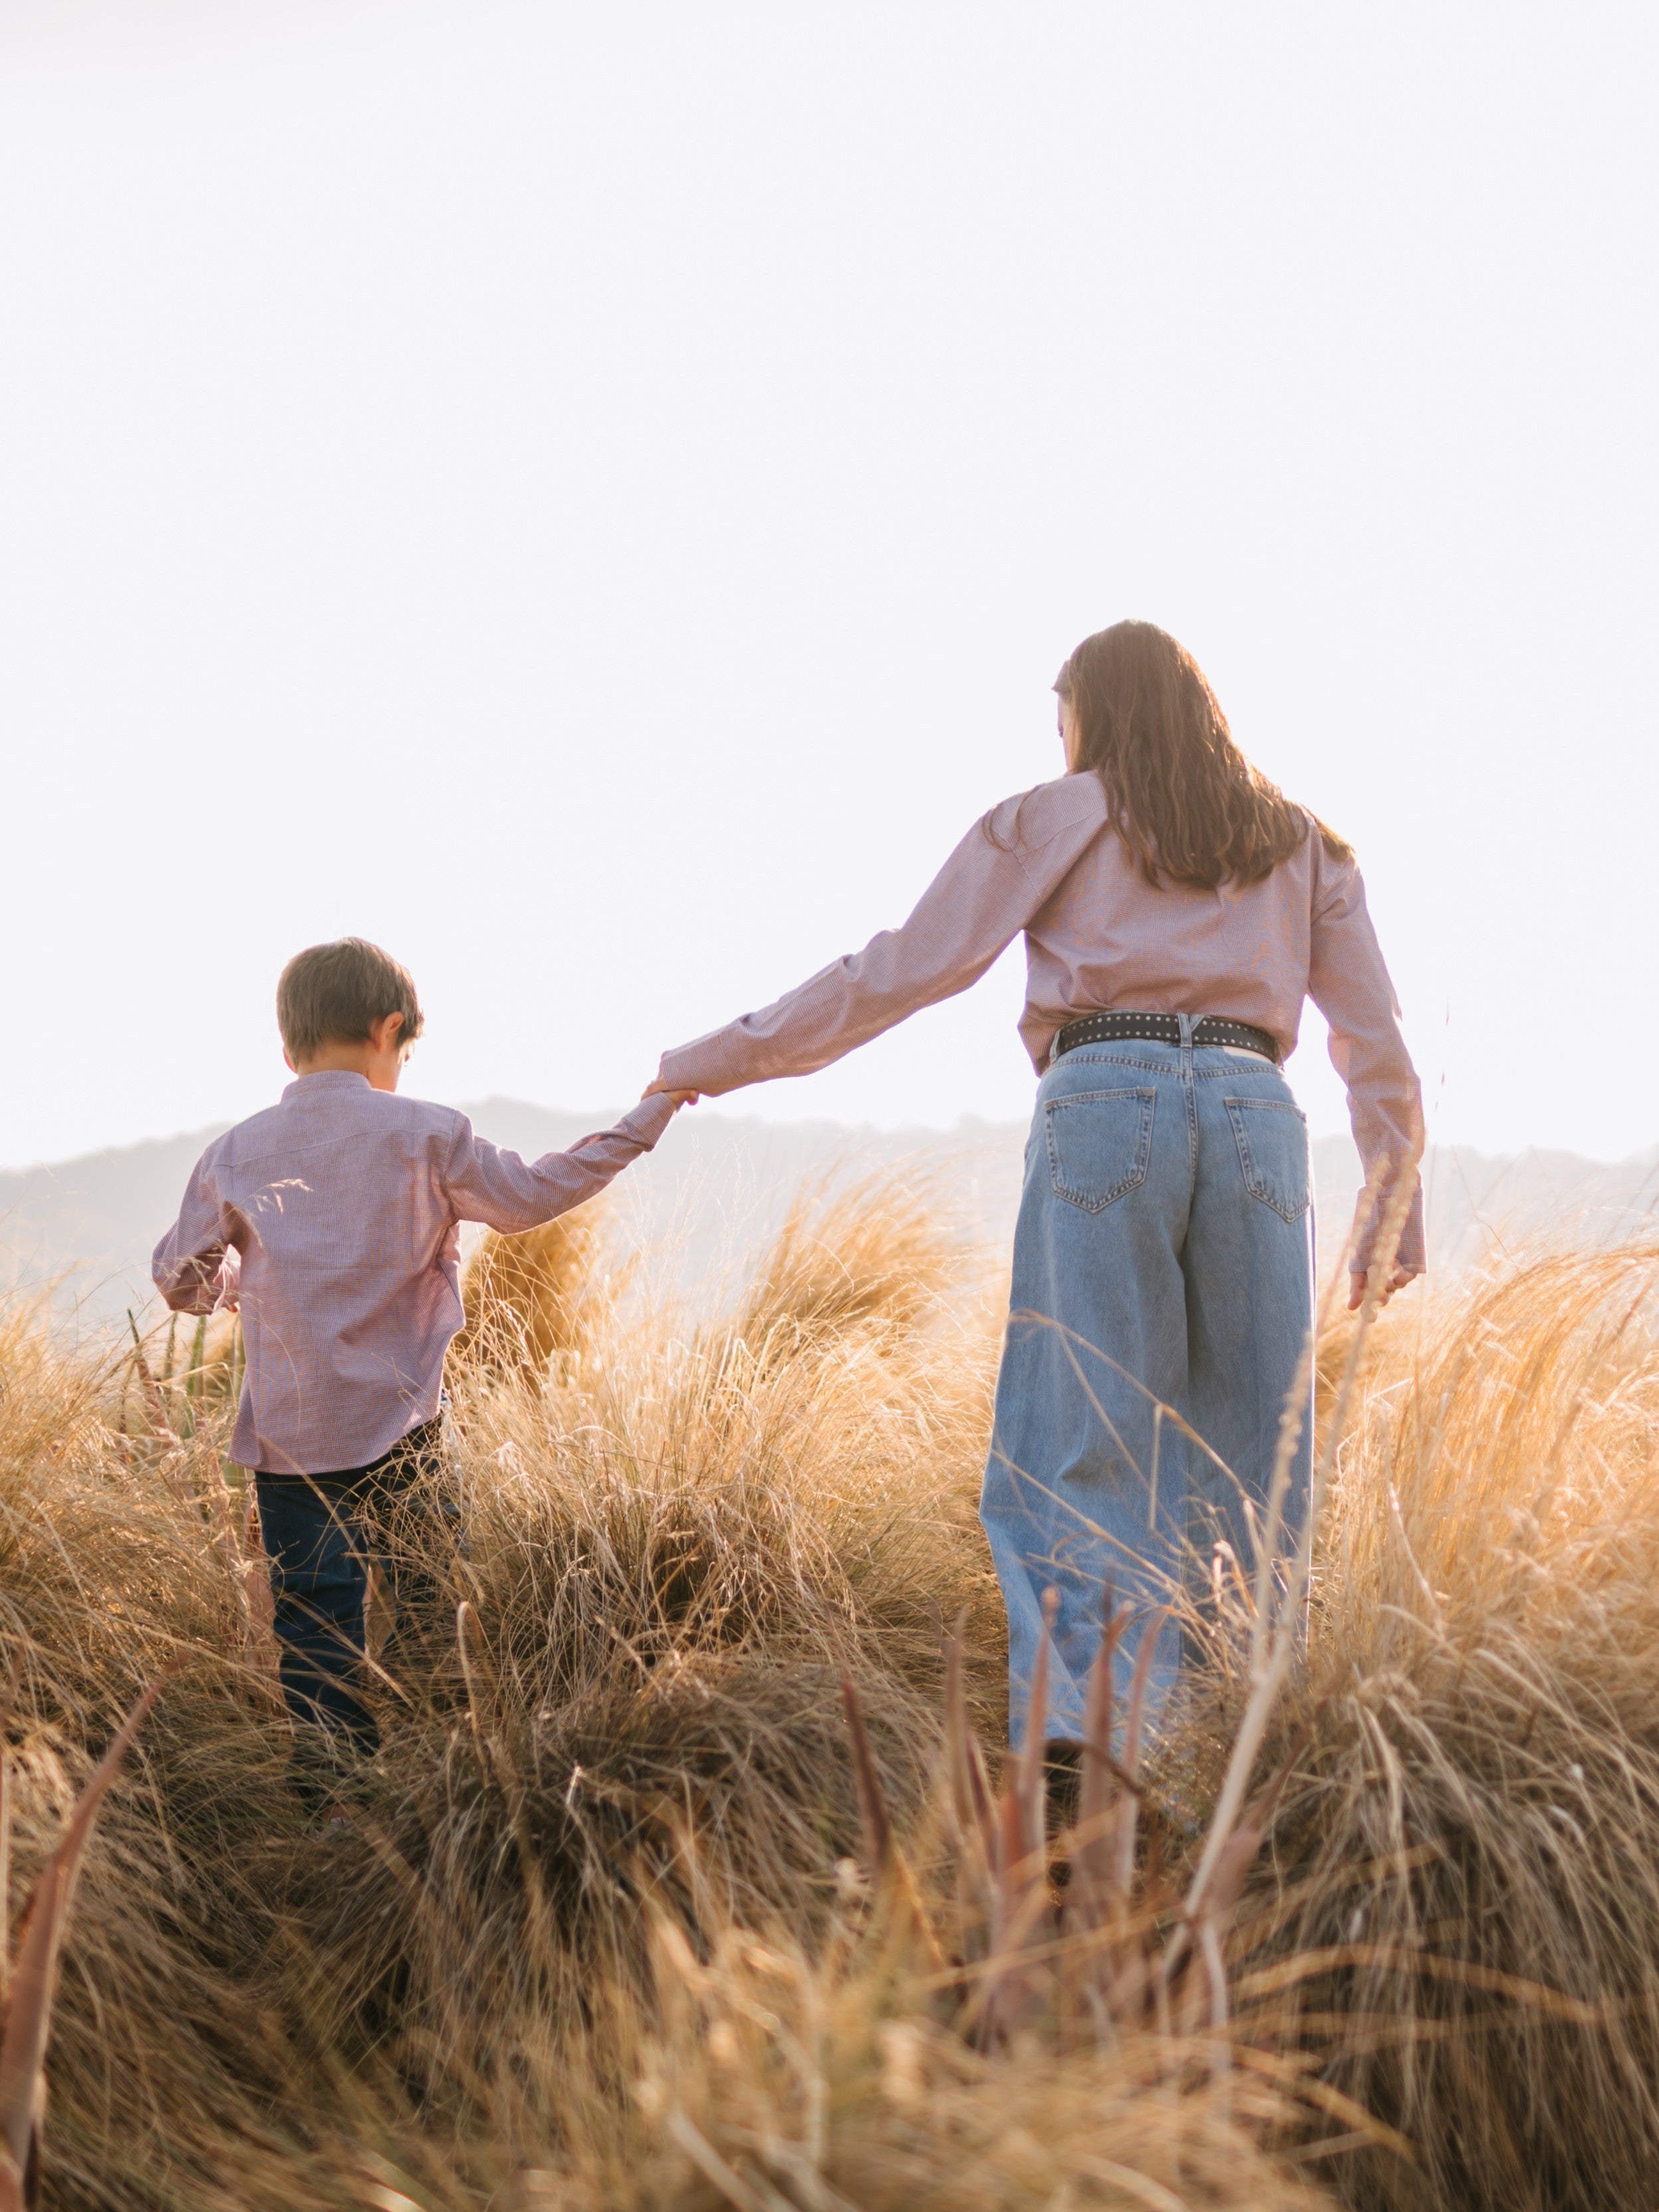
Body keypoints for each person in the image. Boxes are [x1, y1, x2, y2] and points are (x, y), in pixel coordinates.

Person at [649, 621, 1422, 1751]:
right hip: (1256, 1110)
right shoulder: (1301, 842)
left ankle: (1092, 1746)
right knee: (1258, 1468)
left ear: (1091, 713)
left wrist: (717, 1058)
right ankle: (1239, 1753)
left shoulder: (1057, 816)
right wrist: (1394, 1205)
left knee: (1081, 1445)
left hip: (1106, 1097)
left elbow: (901, 969)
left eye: (1063, 718)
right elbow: (1375, 1040)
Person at [154, 936, 695, 1806]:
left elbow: (178, 1276)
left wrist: (229, 1289)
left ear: (288, 1047)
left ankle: (334, 1803)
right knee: (433, 1606)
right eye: (404, 1052)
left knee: (315, 1624)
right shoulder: (429, 1135)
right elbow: (535, 1195)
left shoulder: (235, 1154)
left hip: (291, 1441)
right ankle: (440, 1781)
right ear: (388, 1029)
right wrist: (645, 1121)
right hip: (405, 1428)